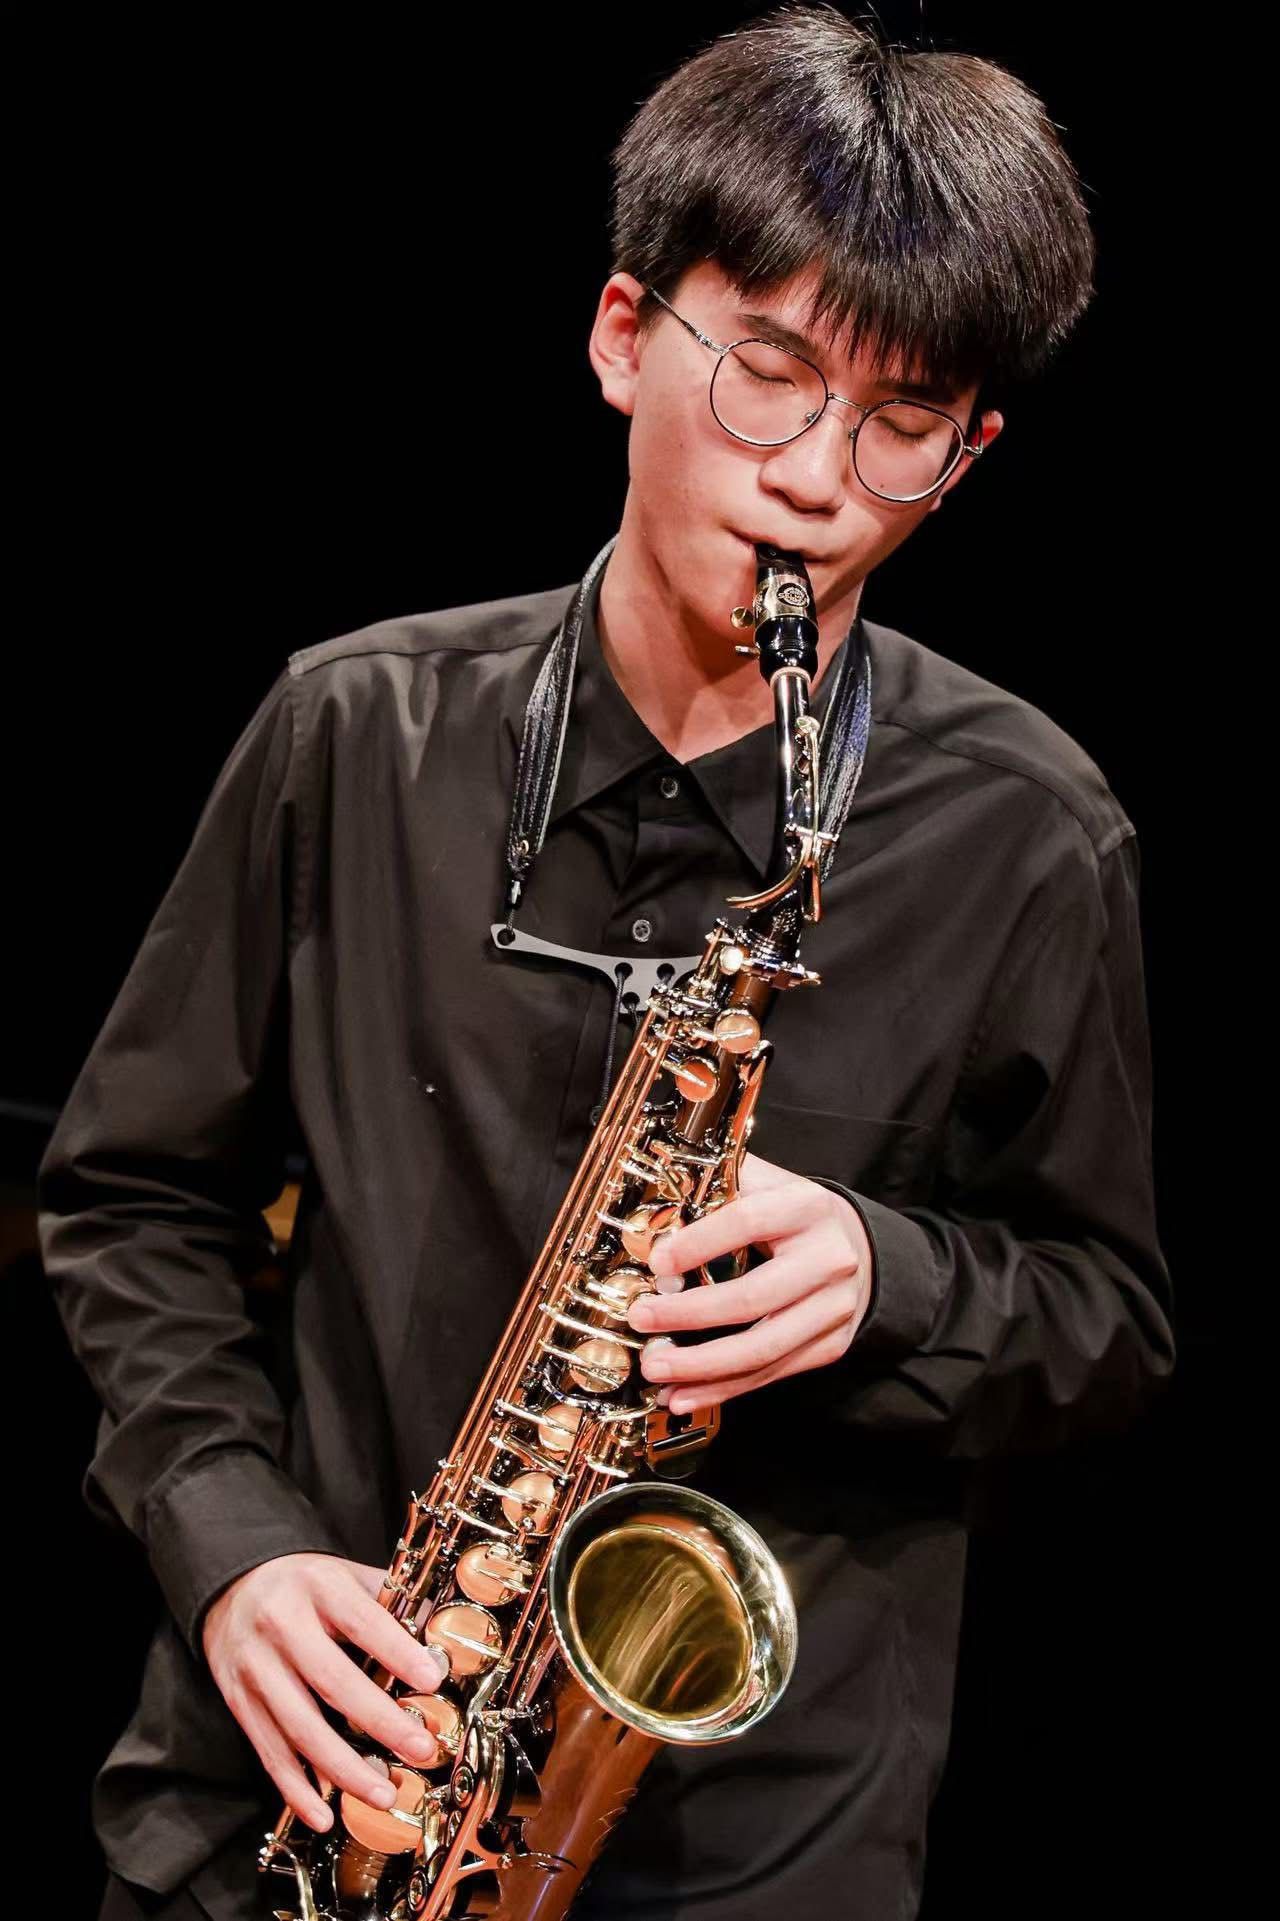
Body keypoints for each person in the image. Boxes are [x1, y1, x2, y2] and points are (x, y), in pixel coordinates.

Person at [39, 9, 1174, 1919]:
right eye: (771, 376)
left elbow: (1111, 1324)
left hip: (758, 1850)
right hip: (296, 1786)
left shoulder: (1032, 832)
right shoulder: (354, 728)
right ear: (623, 335)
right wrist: (233, 1545)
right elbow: (133, 1197)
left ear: (967, 455)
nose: (817, 479)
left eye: (900, 425)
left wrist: (889, 1277)